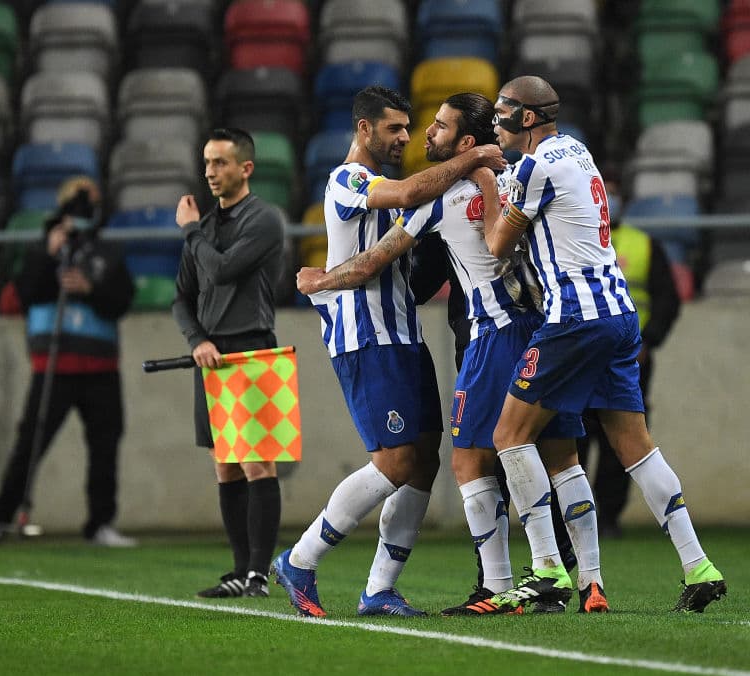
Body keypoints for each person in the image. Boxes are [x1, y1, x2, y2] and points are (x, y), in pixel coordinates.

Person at [295, 93, 606, 615]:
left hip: (489, 335)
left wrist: (316, 282)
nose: (420, 136)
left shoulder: (437, 198)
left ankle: (510, 582)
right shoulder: (515, 182)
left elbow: (375, 257)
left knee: (467, 460)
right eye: (407, 127)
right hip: (542, 328)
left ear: (466, 142)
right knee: (556, 456)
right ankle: (587, 580)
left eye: (435, 127)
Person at [480, 75, 725, 613]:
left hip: (573, 321)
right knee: (635, 444)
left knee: (508, 435)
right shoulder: (579, 150)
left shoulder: (532, 167)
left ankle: (547, 568)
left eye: (501, 114)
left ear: (527, 117)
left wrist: (483, 182)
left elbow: (496, 244)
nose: (495, 124)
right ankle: (699, 565)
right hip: (619, 316)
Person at [273, 86, 506, 619]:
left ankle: (380, 588)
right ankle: (300, 558)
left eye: (408, 128)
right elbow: (403, 196)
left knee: (423, 460)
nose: (405, 137)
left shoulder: (403, 182)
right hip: (366, 338)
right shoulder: (348, 178)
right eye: (393, 128)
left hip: (403, 335)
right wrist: (473, 155)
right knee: (395, 460)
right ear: (364, 129)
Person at [0, 177, 137, 550]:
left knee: (105, 447)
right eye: (80, 198)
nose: (87, 206)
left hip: (101, 364)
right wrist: (48, 253)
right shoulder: (44, 245)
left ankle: (101, 523)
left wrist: (91, 289)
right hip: (53, 365)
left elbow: (123, 298)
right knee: (30, 444)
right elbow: (24, 293)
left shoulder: (107, 248)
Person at [173, 128, 286, 599]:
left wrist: (191, 230)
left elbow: (220, 270)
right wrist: (197, 339)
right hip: (213, 355)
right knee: (226, 466)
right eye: (206, 163)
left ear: (246, 168)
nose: (209, 173)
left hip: (253, 348)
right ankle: (240, 570)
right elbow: (182, 297)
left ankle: (259, 573)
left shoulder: (264, 220)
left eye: (219, 163)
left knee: (258, 464)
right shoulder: (205, 227)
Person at [575, 176, 681, 538]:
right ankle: (574, 519)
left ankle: (608, 518)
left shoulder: (645, 245)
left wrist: (648, 342)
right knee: (573, 437)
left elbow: (667, 300)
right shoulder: (574, 238)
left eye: (614, 194)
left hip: (631, 359)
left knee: (622, 442)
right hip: (582, 358)